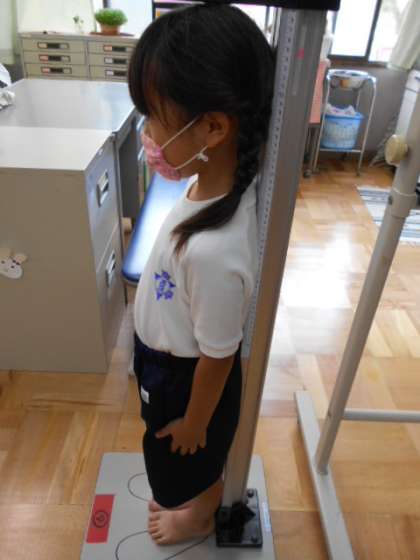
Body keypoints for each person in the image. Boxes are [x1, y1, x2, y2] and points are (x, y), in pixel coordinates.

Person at [128, 3, 274, 546]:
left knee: (185, 457)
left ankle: (200, 512)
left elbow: (218, 356)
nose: (147, 132)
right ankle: (193, 494)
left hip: (184, 377)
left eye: (154, 117)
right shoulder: (211, 183)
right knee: (174, 451)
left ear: (213, 127)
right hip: (164, 360)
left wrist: (195, 421)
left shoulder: (216, 251)